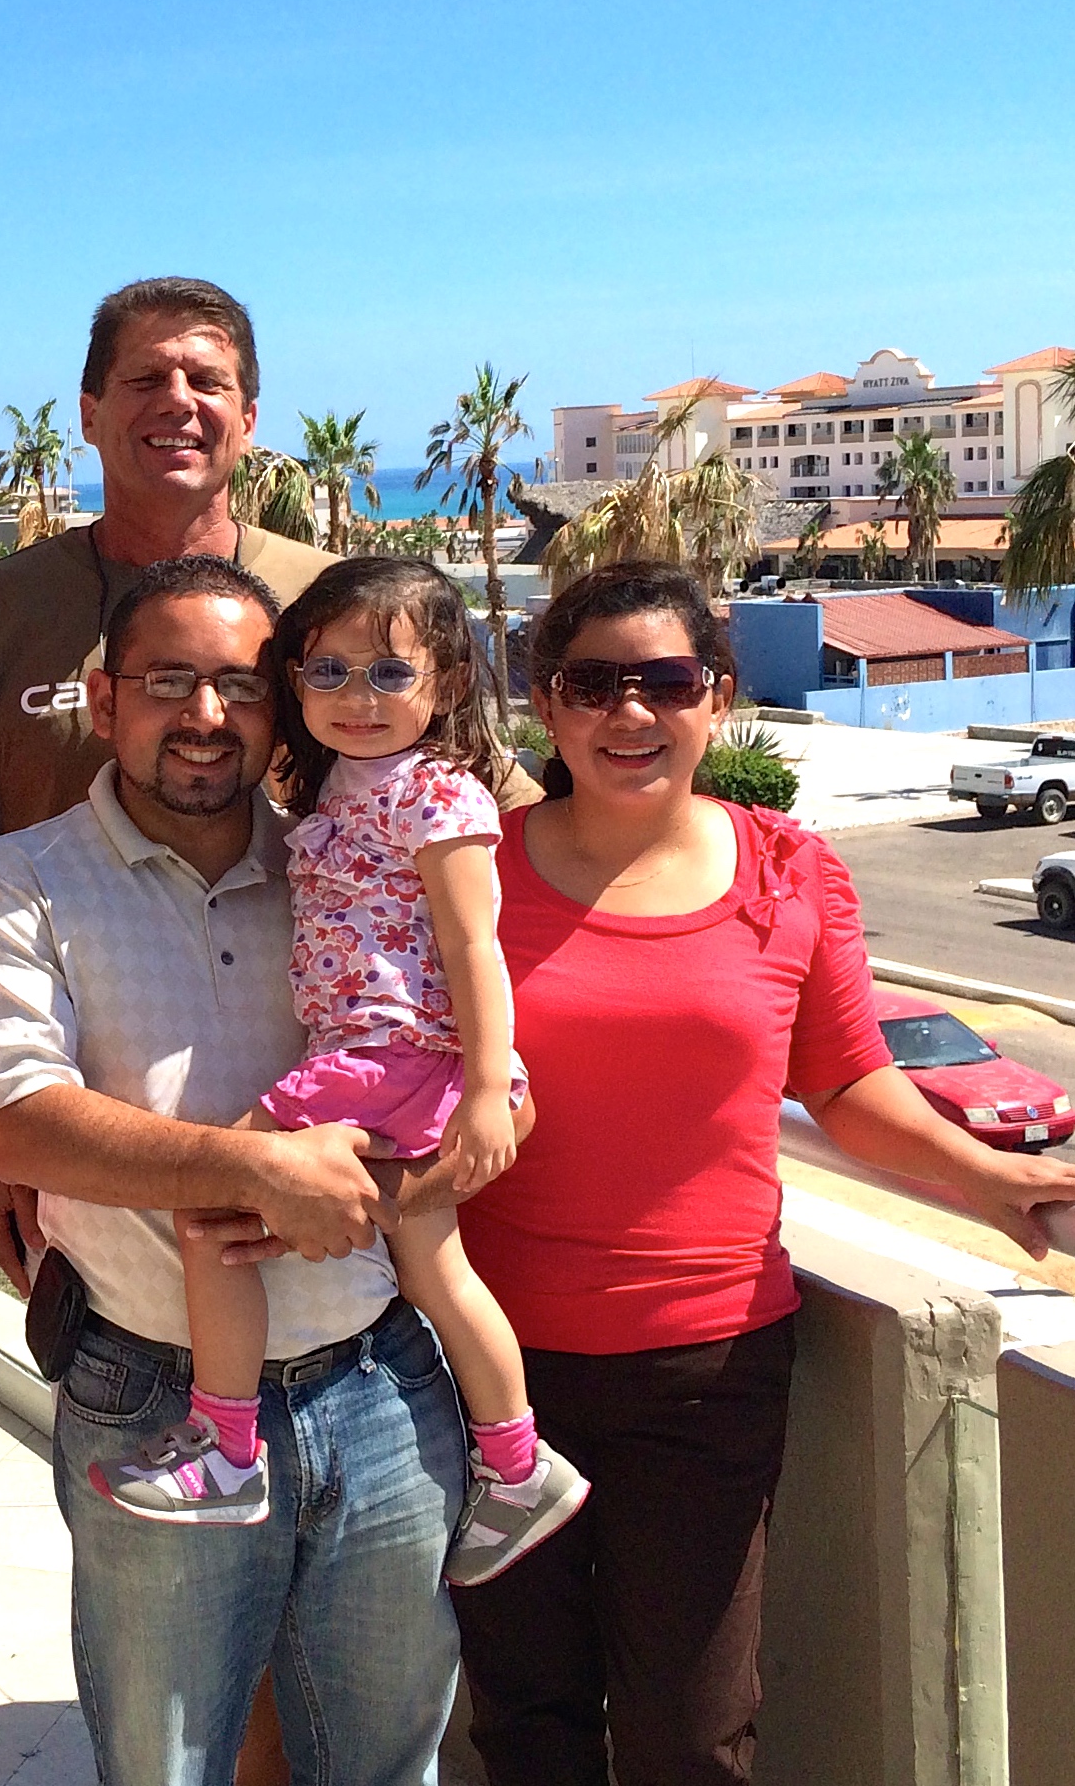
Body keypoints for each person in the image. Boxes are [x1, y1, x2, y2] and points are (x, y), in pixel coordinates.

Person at [452, 560, 1075, 1786]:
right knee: (529, 1718)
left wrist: (995, 1186)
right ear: (546, 704)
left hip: (710, 1367)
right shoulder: (469, 874)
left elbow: (849, 1088)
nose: (632, 714)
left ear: (719, 697)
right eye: (593, 684)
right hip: (492, 1372)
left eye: (668, 681)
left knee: (695, 1732)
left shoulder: (789, 872)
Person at [0, 555, 466, 1785]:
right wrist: (257, 1172)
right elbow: (19, 1124)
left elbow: (476, 1080)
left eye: (239, 683)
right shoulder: (18, 883)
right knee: (165, 1762)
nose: (205, 715)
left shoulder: (353, 867)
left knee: (388, 1762)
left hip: (381, 1384)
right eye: (168, 680)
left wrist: (407, 1177)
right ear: (101, 695)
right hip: (153, 1393)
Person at [91, 555, 589, 1582]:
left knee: (215, 1206)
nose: (357, 699)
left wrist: (492, 1088)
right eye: (327, 673)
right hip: (375, 1059)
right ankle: (516, 1461)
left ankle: (227, 1449)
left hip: (386, 1057)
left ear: (447, 685)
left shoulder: (439, 797)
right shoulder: (334, 795)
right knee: (436, 1267)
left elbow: (474, 948)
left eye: (389, 675)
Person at [0, 278, 336, 1301]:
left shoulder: (335, 605)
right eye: (144, 377)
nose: (177, 400)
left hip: (314, 1166)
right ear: (89, 413)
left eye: (206, 379)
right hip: (82, 1178)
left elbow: (476, 822)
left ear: (249, 416)